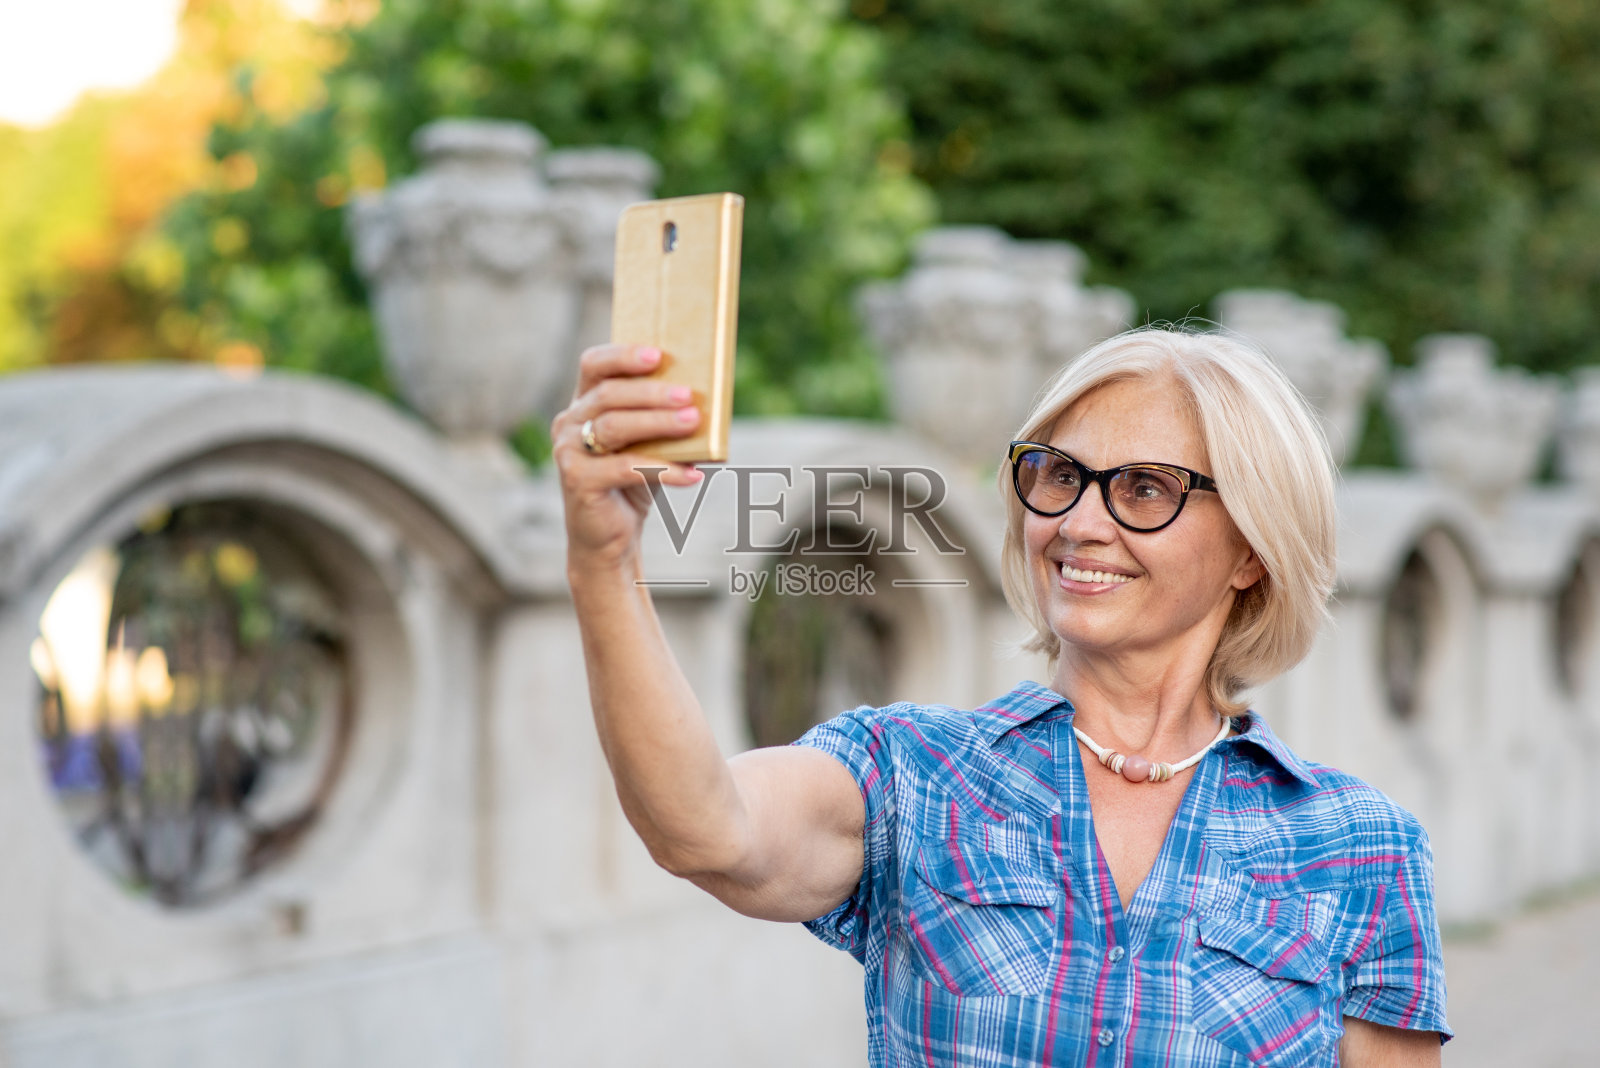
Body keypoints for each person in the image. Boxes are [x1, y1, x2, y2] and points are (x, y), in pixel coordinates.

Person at [552, 327, 1451, 1067]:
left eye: (1145, 488)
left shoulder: (1363, 847)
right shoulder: (912, 773)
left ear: (1253, 548)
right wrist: (604, 560)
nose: (1078, 522)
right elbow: (703, 829)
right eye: (1059, 474)